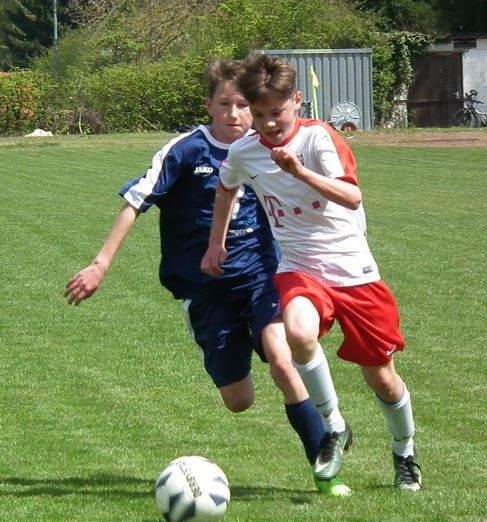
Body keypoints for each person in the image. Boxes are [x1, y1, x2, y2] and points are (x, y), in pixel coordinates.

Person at [64, 59, 350, 495]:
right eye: (225, 104)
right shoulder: (186, 150)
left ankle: (325, 468)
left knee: (282, 360)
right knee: (239, 400)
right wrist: (100, 264)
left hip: (260, 277)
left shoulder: (266, 149)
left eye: (244, 105)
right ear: (209, 106)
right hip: (205, 292)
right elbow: (136, 201)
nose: (235, 114)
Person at [201, 52, 422, 492]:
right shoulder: (245, 151)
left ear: (297, 100)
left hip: (355, 273)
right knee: (298, 334)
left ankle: (405, 454)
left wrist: (298, 171)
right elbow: (226, 188)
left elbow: (351, 197)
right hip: (301, 268)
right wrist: (216, 242)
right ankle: (334, 425)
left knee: (382, 378)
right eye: (258, 114)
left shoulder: (319, 138)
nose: (267, 123)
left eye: (277, 112)